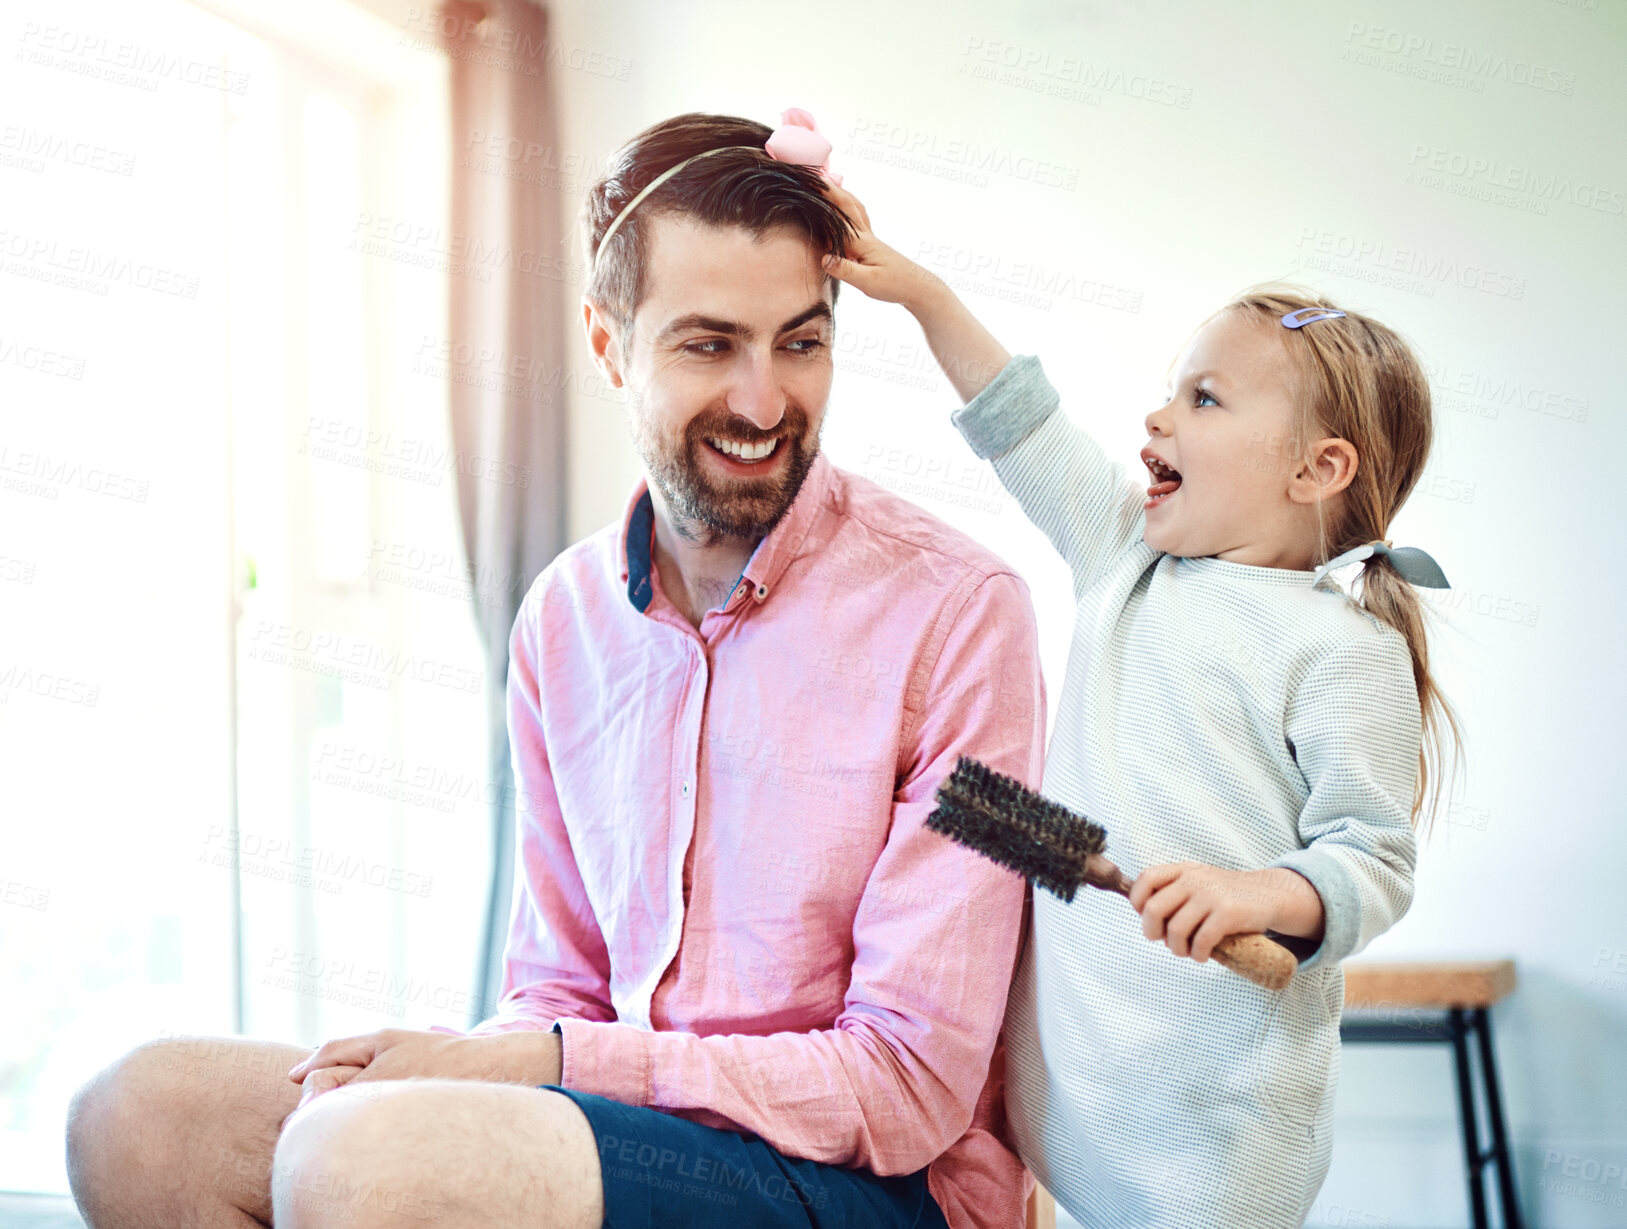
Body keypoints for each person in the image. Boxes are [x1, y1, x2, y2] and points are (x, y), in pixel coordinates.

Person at [64, 112, 1046, 1229]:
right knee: (142, 1117)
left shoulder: (964, 614)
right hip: (640, 1131)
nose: (766, 402)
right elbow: (559, 985)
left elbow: (909, 1085)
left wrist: (536, 1064)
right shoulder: (565, 619)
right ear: (607, 342)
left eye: (801, 342)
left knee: (368, 1161)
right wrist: (484, 1059)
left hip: (879, 1184)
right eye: (708, 343)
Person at [819, 183, 1459, 1228]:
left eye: (1204, 399)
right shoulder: (1126, 559)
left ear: (1317, 467)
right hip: (1072, 1093)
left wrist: (1262, 894)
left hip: (1217, 1131)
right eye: (1172, 391)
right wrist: (924, 298)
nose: (1157, 416)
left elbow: (1373, 859)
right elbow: (1024, 425)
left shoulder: (1341, 648)